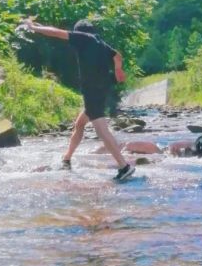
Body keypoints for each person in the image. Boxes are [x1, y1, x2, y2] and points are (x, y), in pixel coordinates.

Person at [18, 17, 135, 181]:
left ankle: (124, 166)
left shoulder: (83, 38)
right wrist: (118, 70)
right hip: (102, 88)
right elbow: (117, 55)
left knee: (101, 130)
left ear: (79, 32)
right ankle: (67, 159)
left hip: (92, 90)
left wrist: (33, 28)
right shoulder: (99, 42)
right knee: (79, 124)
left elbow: (57, 33)